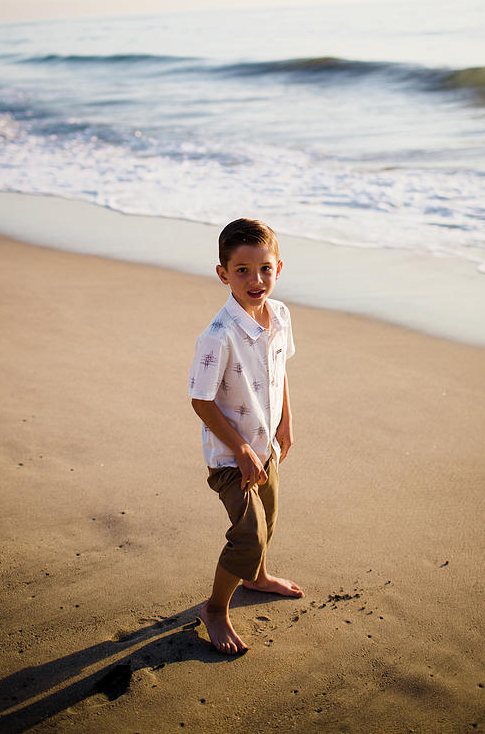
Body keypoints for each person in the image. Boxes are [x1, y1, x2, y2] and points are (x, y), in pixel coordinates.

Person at [188, 217, 303, 655]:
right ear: (223, 274)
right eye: (242, 270)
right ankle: (215, 609)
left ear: (278, 268)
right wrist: (239, 450)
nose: (256, 280)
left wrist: (285, 423)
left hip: (267, 446)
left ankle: (256, 577)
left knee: (268, 521)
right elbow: (200, 400)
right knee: (249, 533)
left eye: (265, 269)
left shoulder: (281, 316)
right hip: (231, 458)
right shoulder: (218, 337)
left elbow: (281, 371)